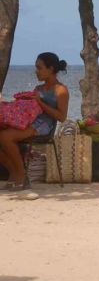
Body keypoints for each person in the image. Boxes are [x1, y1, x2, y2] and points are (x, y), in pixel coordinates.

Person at [0, 53, 69, 190]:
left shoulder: (61, 90)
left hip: (45, 125)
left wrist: (39, 102)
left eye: (39, 68)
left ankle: (21, 174)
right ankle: (14, 173)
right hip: (30, 121)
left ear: (50, 69)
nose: (36, 71)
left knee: (5, 137)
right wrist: (23, 101)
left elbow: (61, 117)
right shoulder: (38, 89)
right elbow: (31, 109)